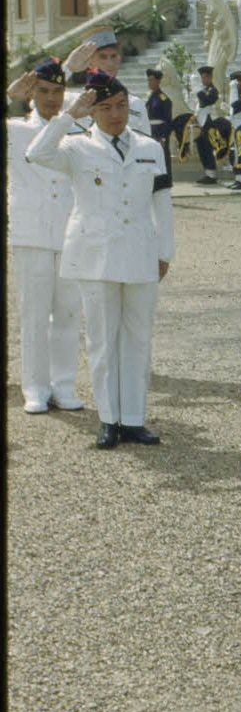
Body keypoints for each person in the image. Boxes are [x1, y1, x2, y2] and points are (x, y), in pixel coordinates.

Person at [26, 69, 175, 448]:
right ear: (93, 112)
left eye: (121, 105)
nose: (115, 114)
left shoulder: (149, 147)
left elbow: (163, 203)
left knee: (138, 338)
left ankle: (133, 419)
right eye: (106, 107)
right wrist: (68, 115)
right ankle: (109, 419)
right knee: (102, 340)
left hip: (141, 251)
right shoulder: (75, 146)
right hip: (96, 255)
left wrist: (165, 251)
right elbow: (36, 153)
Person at [6, 59, 84, 414]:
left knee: (67, 313)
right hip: (32, 233)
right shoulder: (15, 128)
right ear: (31, 94)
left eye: (57, 92)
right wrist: (9, 97)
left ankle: (64, 384)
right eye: (43, 91)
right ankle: (35, 388)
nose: (51, 99)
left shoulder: (77, 129)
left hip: (69, 232)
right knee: (34, 314)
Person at [62, 28, 151, 135]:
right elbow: (38, 94)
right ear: (89, 62)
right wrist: (68, 68)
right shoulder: (72, 102)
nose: (110, 63)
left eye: (113, 56)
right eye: (102, 57)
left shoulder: (135, 104)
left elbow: (145, 145)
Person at [190, 65, 221, 184]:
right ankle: (207, 173)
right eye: (202, 77)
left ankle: (212, 174)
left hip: (209, 123)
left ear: (211, 77)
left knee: (208, 149)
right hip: (200, 123)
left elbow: (207, 100)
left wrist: (198, 90)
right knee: (201, 149)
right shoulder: (201, 90)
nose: (204, 80)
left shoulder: (213, 90)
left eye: (206, 77)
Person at [145, 67, 174, 178]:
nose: (149, 82)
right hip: (151, 131)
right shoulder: (151, 96)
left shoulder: (163, 98)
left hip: (159, 132)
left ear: (158, 81)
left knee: (163, 157)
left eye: (151, 80)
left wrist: (163, 137)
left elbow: (167, 120)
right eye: (148, 80)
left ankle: (165, 179)